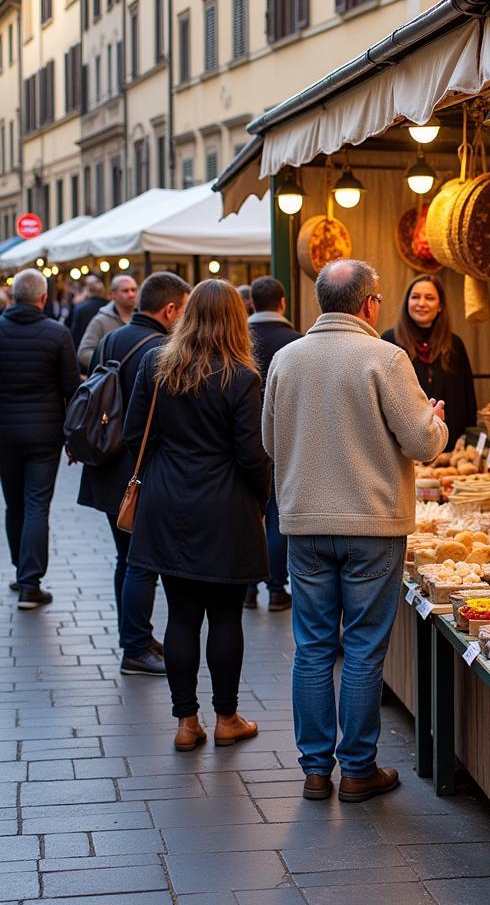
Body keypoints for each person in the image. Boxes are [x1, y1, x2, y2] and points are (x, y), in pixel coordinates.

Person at [263, 259, 447, 802]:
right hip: (373, 523)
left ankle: (315, 770)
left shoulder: (286, 358)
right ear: (370, 305)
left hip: (304, 524)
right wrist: (433, 419)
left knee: (313, 648)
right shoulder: (386, 358)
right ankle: (357, 770)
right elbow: (423, 443)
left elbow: (271, 444)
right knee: (364, 649)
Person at [123, 279, 271, 751]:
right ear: (235, 319)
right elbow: (251, 454)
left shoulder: (156, 365)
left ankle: (186, 723)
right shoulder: (243, 377)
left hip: (167, 503)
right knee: (226, 617)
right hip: (226, 507)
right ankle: (226, 718)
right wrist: (262, 498)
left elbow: (133, 435)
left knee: (181, 616)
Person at [77, 271, 192, 676]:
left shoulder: (112, 337)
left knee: (125, 559)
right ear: (171, 309)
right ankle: (135, 647)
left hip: (105, 466)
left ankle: (136, 635)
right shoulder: (162, 350)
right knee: (141, 563)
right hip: (137, 474)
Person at [0, 269, 79, 608]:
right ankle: (31, 581)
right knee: (36, 505)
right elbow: (72, 389)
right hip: (45, 434)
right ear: (43, 298)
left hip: (4, 433)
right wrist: (75, 438)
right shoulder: (57, 334)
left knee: (14, 503)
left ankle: (22, 572)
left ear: (14, 296)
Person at [245, 276, 301, 611]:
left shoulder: (239, 339)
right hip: (284, 439)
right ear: (282, 303)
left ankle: (248, 587)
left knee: (250, 515)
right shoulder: (296, 341)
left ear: (252, 302)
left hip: (243, 439)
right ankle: (277, 588)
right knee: (278, 514)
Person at [381, 274, 477, 452]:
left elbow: (467, 397)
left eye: (430, 298)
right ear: (407, 303)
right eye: (415, 297)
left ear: (440, 306)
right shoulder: (389, 341)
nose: (421, 303)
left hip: (450, 448)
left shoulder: (454, 344)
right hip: (404, 448)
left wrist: (466, 437)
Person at [78, 274, 138, 371]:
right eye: (125, 291)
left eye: (133, 290)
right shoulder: (100, 320)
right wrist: (110, 366)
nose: (131, 294)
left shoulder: (142, 317)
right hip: (113, 382)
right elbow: (84, 353)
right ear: (113, 294)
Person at [67, 275, 108, 347]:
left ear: (87, 290)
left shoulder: (79, 308)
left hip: (84, 348)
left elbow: (73, 334)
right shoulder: (109, 307)